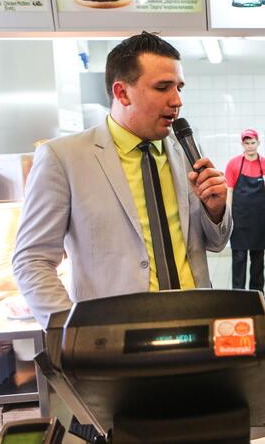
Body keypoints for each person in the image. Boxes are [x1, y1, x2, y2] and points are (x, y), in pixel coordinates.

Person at [13, 32, 232, 328]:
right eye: (162, 87)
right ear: (122, 93)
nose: (177, 100)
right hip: (115, 339)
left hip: (195, 326)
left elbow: (216, 243)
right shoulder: (64, 158)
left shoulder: (185, 151)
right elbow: (32, 260)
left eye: (179, 87)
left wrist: (215, 211)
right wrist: (71, 330)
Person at [224, 128, 265, 292]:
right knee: (239, 257)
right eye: (247, 143)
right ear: (242, 144)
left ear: (258, 143)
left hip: (258, 218)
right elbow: (229, 190)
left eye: (253, 143)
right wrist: (227, 213)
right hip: (239, 217)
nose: (250, 146)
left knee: (258, 258)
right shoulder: (234, 164)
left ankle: (257, 294)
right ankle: (238, 295)